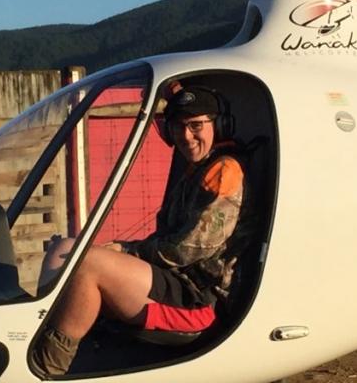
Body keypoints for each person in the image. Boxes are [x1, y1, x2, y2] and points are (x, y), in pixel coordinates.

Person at [31, 84, 246, 377]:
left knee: (88, 263)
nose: (186, 136)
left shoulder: (223, 172)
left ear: (218, 125)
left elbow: (189, 250)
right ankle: (39, 334)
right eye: (178, 127)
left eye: (196, 125)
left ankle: (44, 369)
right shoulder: (193, 171)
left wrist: (127, 249)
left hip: (197, 298)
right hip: (173, 281)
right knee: (66, 249)